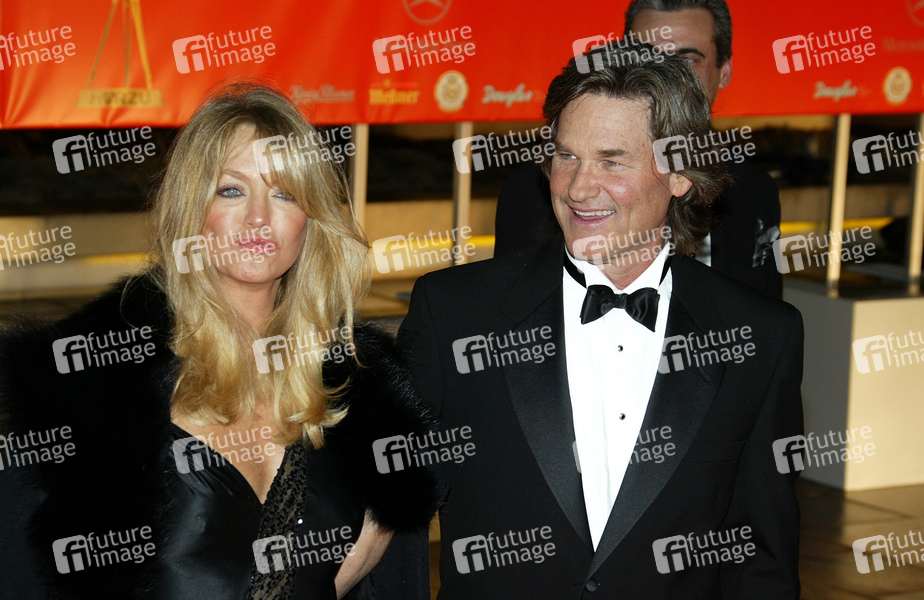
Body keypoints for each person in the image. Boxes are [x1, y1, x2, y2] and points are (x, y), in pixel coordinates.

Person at [0, 83, 437, 600]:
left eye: (285, 193)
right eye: (231, 190)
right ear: (192, 208)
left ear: (312, 218)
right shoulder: (87, 387)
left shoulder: (362, 394)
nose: (258, 218)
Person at [400, 41, 803, 598]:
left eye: (612, 161)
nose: (578, 188)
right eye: (566, 157)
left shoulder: (760, 336)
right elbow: (391, 515)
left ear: (679, 174)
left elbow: (762, 558)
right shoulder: (454, 314)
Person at [494, 0, 783, 300]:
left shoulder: (755, 194)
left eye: (686, 60)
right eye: (645, 57)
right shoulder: (538, 192)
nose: (663, 76)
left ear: (724, 70)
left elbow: (765, 318)